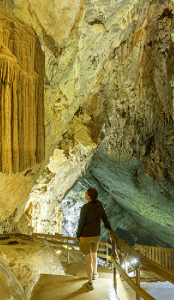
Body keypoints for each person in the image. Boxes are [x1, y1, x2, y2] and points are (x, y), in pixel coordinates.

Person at [76, 188, 113, 290]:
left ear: (89, 197)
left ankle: (90, 283)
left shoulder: (85, 208)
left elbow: (81, 223)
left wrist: (78, 235)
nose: (85, 193)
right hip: (96, 236)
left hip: (86, 237)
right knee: (94, 256)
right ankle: (95, 273)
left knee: (88, 261)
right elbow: (104, 217)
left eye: (86, 193)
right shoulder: (99, 204)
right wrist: (109, 227)